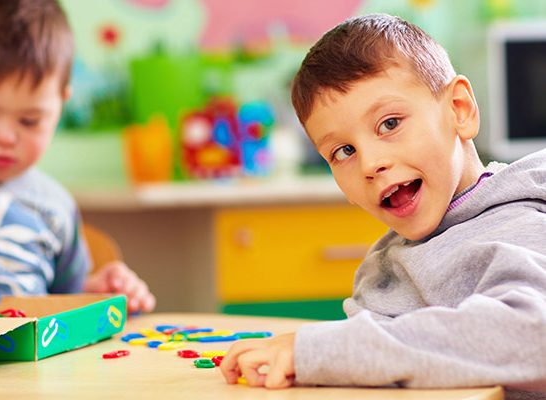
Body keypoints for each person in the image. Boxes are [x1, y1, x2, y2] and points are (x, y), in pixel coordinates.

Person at [220, 13, 546, 399]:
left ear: (458, 109)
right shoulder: (382, 269)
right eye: (343, 151)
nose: (370, 163)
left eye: (389, 124)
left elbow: (533, 336)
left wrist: (323, 350)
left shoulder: (518, 223)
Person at [0, 0, 155, 313]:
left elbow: (65, 302)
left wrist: (97, 292)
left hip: (28, 363)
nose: (5, 136)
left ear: (60, 105)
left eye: (30, 120)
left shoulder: (55, 207)